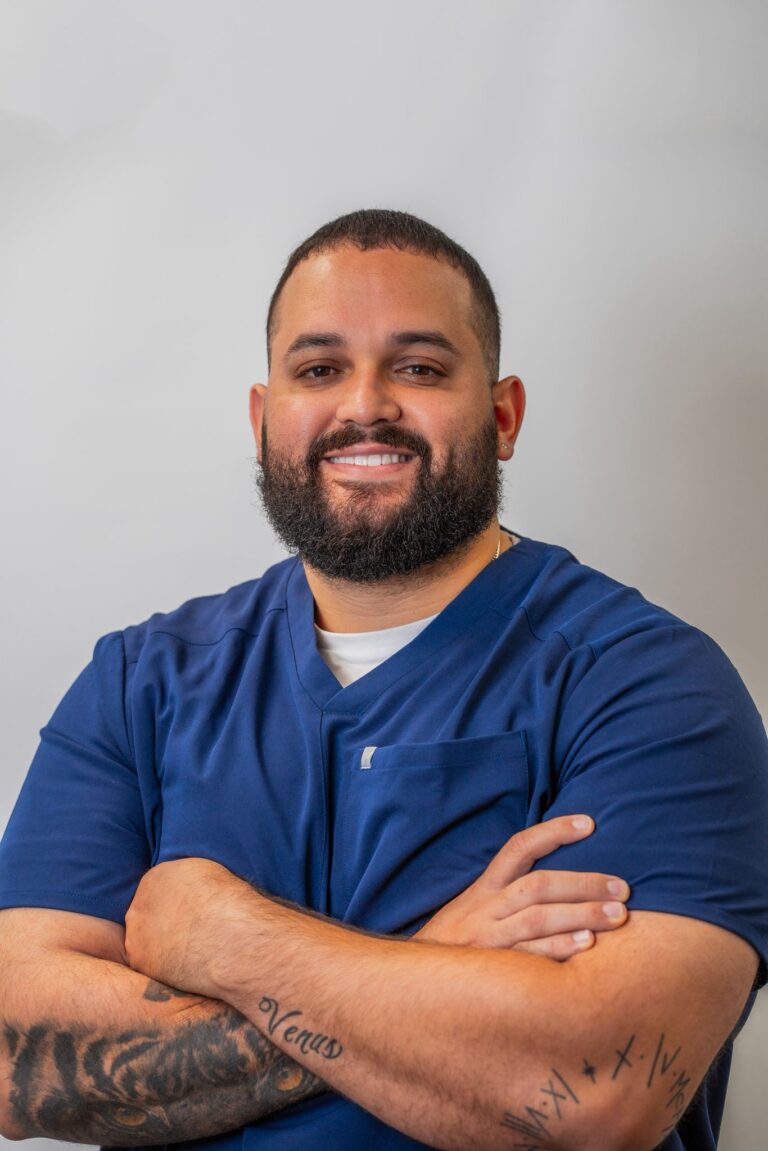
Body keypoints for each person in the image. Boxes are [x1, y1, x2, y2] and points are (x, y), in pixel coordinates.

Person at [0, 209, 766, 1151]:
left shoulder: (649, 686)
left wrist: (226, 938)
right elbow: (16, 1060)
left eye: (420, 368)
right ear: (263, 417)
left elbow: (600, 1091)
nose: (365, 405)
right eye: (320, 369)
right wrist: (430, 962)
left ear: (503, 416)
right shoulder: (141, 683)